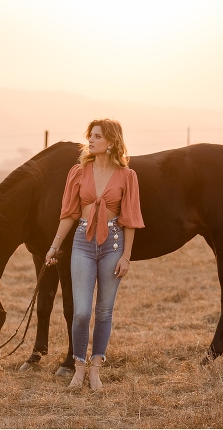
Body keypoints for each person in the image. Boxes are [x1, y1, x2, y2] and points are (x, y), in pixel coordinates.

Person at [45, 118, 144, 391]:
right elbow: (69, 214)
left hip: (113, 244)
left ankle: (95, 370)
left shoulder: (127, 176)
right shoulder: (78, 172)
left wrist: (126, 256)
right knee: (81, 312)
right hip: (82, 242)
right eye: (90, 136)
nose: (91, 140)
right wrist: (54, 246)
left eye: (97, 136)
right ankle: (79, 367)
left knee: (104, 311)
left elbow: (130, 219)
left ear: (111, 141)